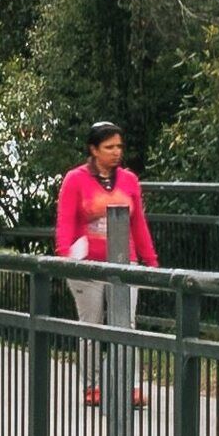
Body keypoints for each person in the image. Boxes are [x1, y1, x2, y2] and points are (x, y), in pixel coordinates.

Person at [55, 122, 160, 405]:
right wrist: (65, 258)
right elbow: (64, 224)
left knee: (126, 324)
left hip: (124, 264)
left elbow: (138, 223)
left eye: (119, 147)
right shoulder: (75, 179)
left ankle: (131, 385)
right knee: (92, 325)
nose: (116, 153)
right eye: (109, 147)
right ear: (94, 149)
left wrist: (150, 261)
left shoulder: (129, 180)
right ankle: (93, 386)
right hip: (87, 266)